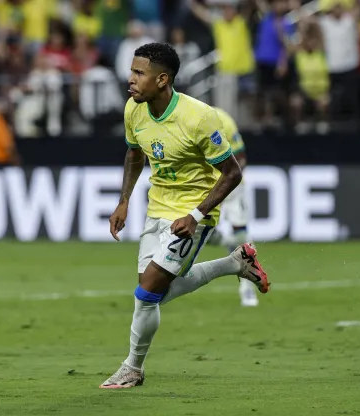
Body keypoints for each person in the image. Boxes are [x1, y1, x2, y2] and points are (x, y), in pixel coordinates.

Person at [101, 43, 270, 389]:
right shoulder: (134, 110)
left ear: (162, 79)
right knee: (156, 292)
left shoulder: (199, 117)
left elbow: (232, 173)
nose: (130, 79)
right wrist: (124, 201)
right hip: (157, 206)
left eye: (139, 73)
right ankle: (235, 263)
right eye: (132, 71)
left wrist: (196, 214)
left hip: (194, 211)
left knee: (147, 292)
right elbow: (134, 154)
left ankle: (132, 368)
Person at [205, 107, 260, 307]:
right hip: (203, 187)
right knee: (200, 234)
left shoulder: (223, 119)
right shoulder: (185, 122)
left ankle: (247, 288)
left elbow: (241, 156)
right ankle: (229, 242)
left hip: (230, 186)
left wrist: (229, 181)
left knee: (242, 234)